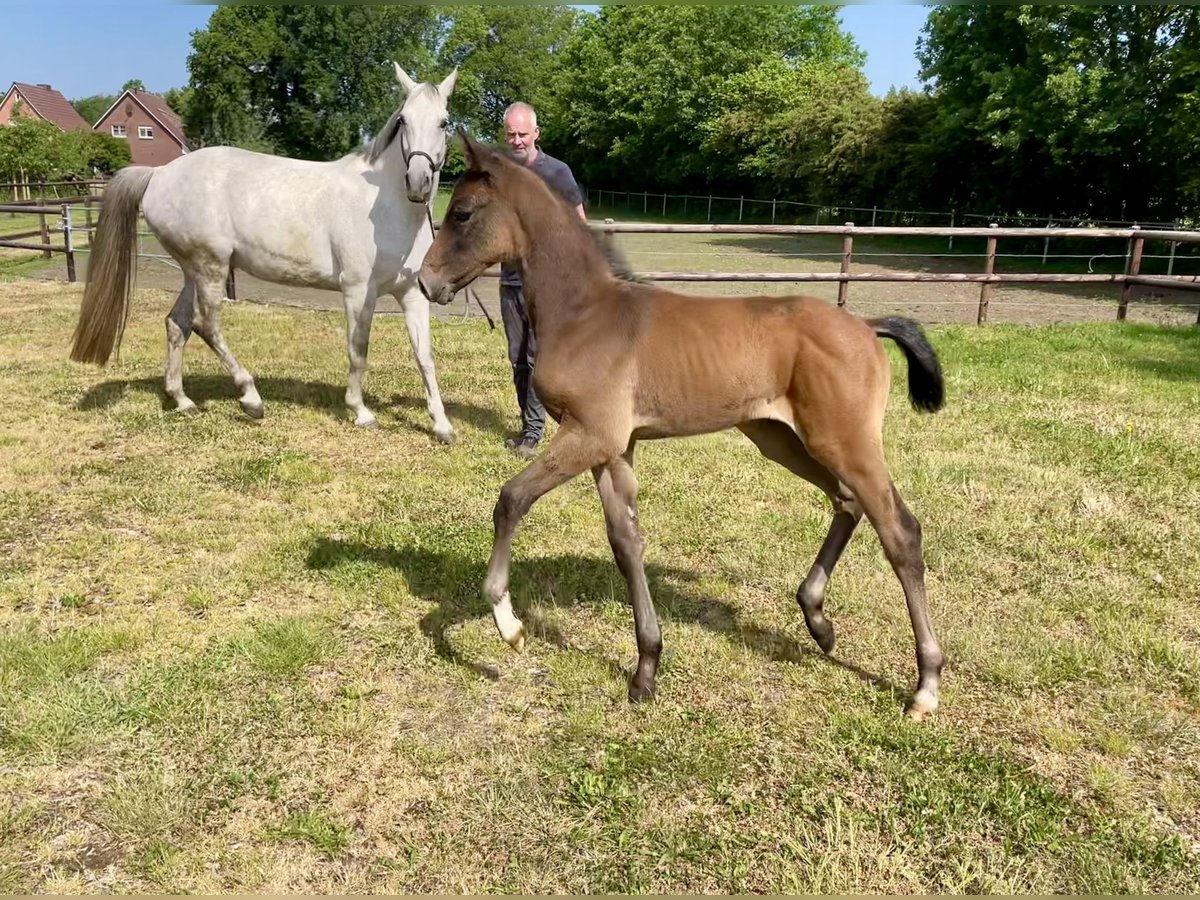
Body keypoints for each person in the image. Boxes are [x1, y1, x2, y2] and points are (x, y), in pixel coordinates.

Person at [499, 101, 586, 459]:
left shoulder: (558, 172)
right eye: (511, 135)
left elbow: (579, 222)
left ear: (536, 133)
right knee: (517, 358)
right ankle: (530, 422)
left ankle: (533, 433)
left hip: (546, 285)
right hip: (510, 282)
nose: (517, 140)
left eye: (523, 134)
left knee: (538, 357)